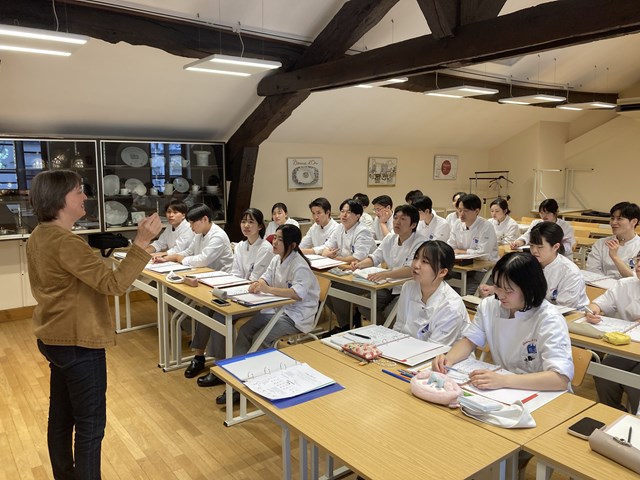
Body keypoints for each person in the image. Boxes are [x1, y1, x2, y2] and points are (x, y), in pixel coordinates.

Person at [26, 170, 162, 479]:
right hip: (78, 342)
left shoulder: (40, 235)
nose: (85, 196)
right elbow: (114, 284)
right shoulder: (66, 242)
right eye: (78, 191)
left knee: (61, 418)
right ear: (60, 199)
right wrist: (142, 241)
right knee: (90, 426)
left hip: (54, 337)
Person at [433, 252, 574, 392]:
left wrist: (504, 380)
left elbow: (560, 379)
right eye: (497, 286)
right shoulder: (490, 306)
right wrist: (448, 360)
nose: (500, 295)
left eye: (508, 291)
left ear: (529, 289)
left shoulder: (549, 319)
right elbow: (470, 341)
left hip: (542, 391)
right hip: (505, 387)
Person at [218, 224, 320, 404]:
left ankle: (255, 384)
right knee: (245, 331)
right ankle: (237, 378)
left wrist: (268, 289)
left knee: (261, 337)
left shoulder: (300, 265)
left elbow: (297, 294)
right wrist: (258, 283)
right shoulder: (277, 259)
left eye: (280, 239)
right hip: (278, 309)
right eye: (275, 237)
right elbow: (266, 276)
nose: (275, 242)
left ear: (292, 245)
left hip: (296, 317)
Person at [187, 208, 274, 386]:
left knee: (220, 316)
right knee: (206, 309)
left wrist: (236, 288)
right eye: (244, 221)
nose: (246, 225)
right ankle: (199, 357)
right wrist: (231, 287)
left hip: (258, 300)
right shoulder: (241, 246)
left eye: (251, 222)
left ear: (260, 226)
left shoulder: (265, 248)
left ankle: (220, 367)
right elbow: (235, 273)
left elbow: (254, 280)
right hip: (239, 294)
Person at [481, 222, 589, 309]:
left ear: (556, 247)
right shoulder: (528, 263)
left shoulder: (570, 273)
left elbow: (564, 309)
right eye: (532, 246)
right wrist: (495, 289)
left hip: (567, 317)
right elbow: (518, 288)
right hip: (534, 312)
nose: (534, 251)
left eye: (540, 247)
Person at [585, 249, 640, 413]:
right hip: (627, 346)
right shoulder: (625, 284)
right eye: (638, 261)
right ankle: (613, 414)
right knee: (604, 371)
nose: (639, 266)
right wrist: (592, 311)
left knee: (635, 385)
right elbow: (599, 303)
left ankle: (634, 422)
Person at [351, 204, 425, 324]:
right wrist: (360, 264)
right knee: (365, 305)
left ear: (413, 225)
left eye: (403, 219)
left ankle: (389, 328)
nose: (397, 222)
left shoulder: (421, 242)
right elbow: (376, 257)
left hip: (409, 287)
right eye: (395, 218)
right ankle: (385, 328)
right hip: (389, 285)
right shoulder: (391, 238)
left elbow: (411, 269)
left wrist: (385, 274)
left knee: (390, 313)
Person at [394, 240, 470, 345]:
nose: (416, 265)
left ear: (442, 272)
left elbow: (434, 349)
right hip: (409, 348)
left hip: (443, 354)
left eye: (425, 261)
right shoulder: (408, 287)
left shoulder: (451, 306)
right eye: (416, 258)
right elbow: (399, 326)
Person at [322, 199, 376, 330]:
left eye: (349, 212)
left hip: (364, 274)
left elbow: (358, 257)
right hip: (345, 270)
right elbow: (327, 247)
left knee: (336, 290)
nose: (344, 215)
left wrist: (337, 259)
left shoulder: (363, 231)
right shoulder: (340, 228)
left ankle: (346, 325)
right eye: (342, 211)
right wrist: (328, 254)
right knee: (324, 288)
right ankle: (348, 321)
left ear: (358, 216)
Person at [154, 204, 233, 271]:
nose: (191, 227)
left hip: (221, 276)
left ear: (205, 219)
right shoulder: (199, 233)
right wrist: (167, 258)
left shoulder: (218, 236)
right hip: (203, 272)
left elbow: (203, 260)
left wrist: (179, 258)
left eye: (192, 223)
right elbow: (189, 252)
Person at [586, 201, 640, 279]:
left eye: (619, 219)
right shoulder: (601, 243)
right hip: (602, 284)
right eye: (612, 218)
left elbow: (636, 278)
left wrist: (614, 257)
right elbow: (592, 270)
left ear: (634, 221)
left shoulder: (638, 246)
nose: (613, 222)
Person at [511, 198, 575, 257]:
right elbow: (528, 235)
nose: (544, 215)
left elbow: (568, 245)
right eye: (542, 213)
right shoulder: (536, 223)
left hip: (561, 256)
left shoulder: (565, 226)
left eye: (548, 213)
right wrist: (520, 241)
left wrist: (552, 250)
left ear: (556, 213)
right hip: (541, 255)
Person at [447, 193, 499, 261]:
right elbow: (451, 246)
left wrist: (462, 251)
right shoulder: (457, 223)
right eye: (460, 210)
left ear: (477, 211)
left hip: (486, 264)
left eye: (465, 211)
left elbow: (483, 254)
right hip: (462, 262)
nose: (461, 214)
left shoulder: (486, 226)